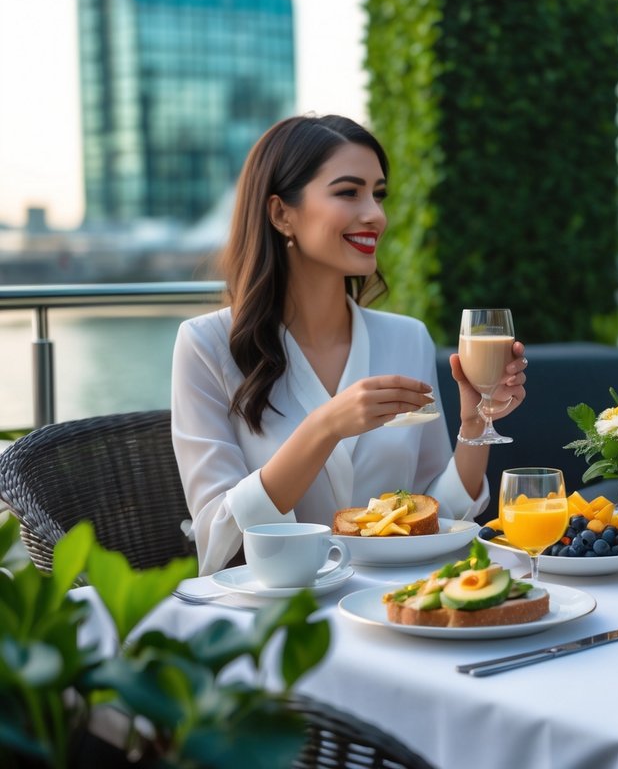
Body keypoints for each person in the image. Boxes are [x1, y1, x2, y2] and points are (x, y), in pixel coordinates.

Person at [171, 114, 527, 575]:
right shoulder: (205, 345)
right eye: (348, 192)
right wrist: (325, 427)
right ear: (282, 214)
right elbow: (218, 535)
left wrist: (475, 423)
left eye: (377, 194)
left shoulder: (406, 337)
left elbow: (436, 514)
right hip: (283, 613)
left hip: (396, 599)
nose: (376, 214)